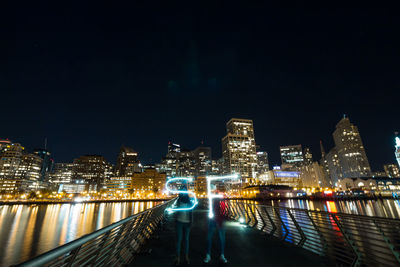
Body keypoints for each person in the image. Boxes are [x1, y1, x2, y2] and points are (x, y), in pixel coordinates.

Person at [204, 187, 228, 264]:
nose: (217, 193)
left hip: (218, 220)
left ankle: (219, 255)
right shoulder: (214, 200)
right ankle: (213, 255)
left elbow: (224, 210)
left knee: (219, 238)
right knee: (212, 238)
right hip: (214, 219)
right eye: (216, 192)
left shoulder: (217, 201)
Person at [174, 191, 193, 265]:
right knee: (179, 240)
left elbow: (191, 213)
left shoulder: (189, 202)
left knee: (186, 240)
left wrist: (191, 222)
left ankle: (186, 257)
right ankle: (177, 258)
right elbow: (176, 211)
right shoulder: (178, 200)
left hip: (187, 222)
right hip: (179, 222)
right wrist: (175, 221)